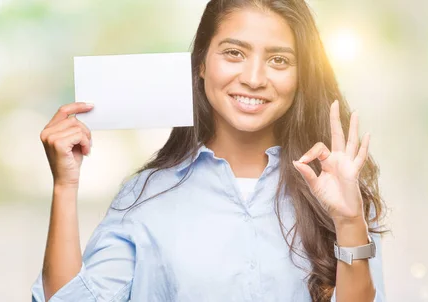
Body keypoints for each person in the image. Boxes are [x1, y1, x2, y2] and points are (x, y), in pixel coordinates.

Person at [32, 0, 387, 301]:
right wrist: (65, 186)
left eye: (279, 60)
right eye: (234, 53)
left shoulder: (336, 191)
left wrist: (348, 220)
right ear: (201, 63)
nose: (253, 78)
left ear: (300, 76)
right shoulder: (146, 196)